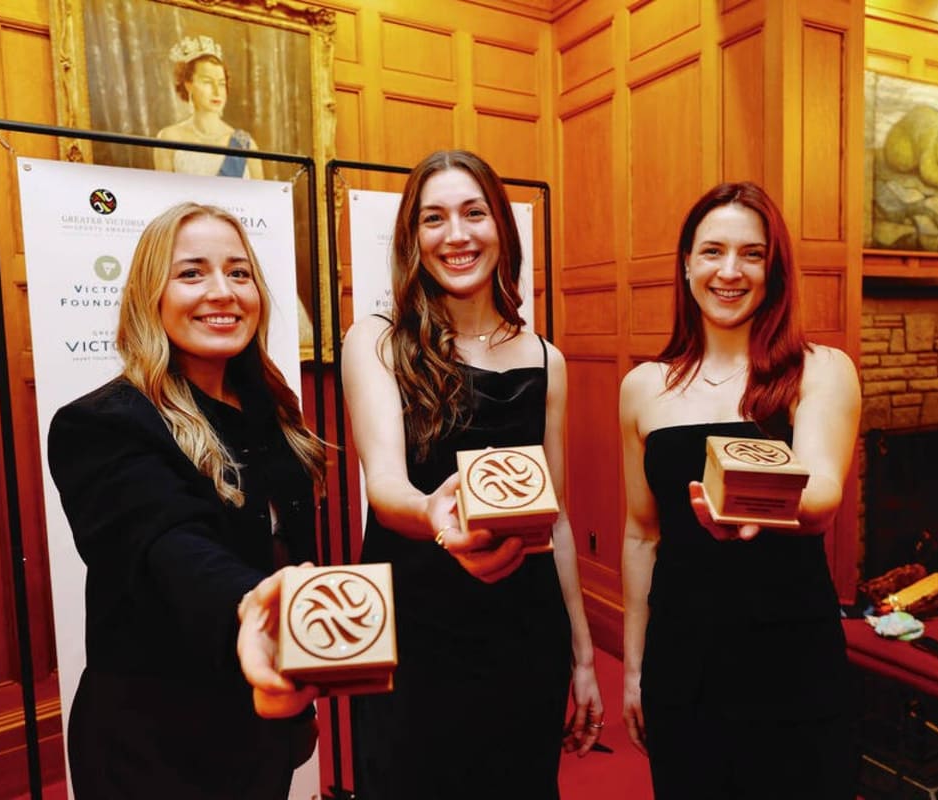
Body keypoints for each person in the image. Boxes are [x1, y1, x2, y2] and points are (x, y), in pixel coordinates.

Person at [341, 149, 604, 799]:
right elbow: (386, 485)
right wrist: (435, 513)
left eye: (474, 213)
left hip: (524, 631)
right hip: (418, 627)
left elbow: (557, 520)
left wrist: (583, 657)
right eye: (434, 218)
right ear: (413, 238)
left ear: (502, 229)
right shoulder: (377, 340)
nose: (456, 235)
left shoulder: (546, 360)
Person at [47, 202, 323, 798]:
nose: (222, 291)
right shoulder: (102, 423)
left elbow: (288, 555)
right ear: (151, 295)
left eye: (239, 272)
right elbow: (171, 544)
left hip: (258, 726)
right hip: (155, 745)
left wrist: (299, 694)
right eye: (192, 273)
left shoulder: (272, 412)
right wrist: (250, 609)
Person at [619, 182, 861, 799]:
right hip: (683, 658)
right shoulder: (644, 387)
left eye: (752, 254)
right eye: (713, 251)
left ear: (773, 269)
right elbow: (641, 534)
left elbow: (822, 494)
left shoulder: (819, 369)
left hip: (790, 656)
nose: (730, 271)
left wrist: (752, 503)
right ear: (686, 264)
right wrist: (635, 667)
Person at [154, 35, 264, 179]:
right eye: (207, 82)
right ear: (188, 85)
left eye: (221, 84)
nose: (217, 91)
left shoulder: (245, 144)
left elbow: (259, 193)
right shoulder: (169, 138)